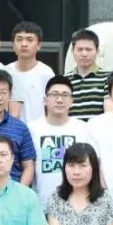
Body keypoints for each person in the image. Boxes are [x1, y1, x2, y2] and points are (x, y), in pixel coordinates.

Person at [28, 76, 89, 204]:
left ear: (72, 101)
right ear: (45, 100)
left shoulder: (83, 128)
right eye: (54, 94)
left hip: (76, 205)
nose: (60, 100)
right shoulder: (32, 129)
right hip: (41, 204)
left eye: (65, 95)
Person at [6, 21, 56, 123]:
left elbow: (52, 108)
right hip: (11, 129)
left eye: (30, 40)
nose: (24, 44)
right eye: (19, 39)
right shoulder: (5, 72)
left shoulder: (46, 73)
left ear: (39, 45)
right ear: (13, 45)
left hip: (38, 130)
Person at [63, 29, 110, 121]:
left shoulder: (108, 78)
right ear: (72, 51)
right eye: (80, 49)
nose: (84, 54)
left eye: (88, 50)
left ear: (97, 51)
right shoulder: (64, 80)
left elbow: (109, 115)